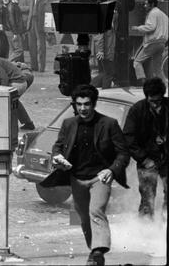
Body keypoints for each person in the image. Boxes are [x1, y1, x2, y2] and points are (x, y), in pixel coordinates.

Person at [40, 84, 129, 266]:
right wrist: (58, 157)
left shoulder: (109, 124)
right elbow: (58, 146)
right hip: (77, 177)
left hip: (100, 177)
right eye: (79, 104)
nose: (82, 108)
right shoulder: (68, 124)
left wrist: (111, 170)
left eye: (87, 104)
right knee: (83, 217)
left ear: (94, 104)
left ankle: (98, 251)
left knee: (96, 210)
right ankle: (95, 252)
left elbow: (123, 153)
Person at [122, 77, 168, 220]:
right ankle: (145, 231)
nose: (155, 105)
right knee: (148, 197)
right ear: (146, 97)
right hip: (146, 159)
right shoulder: (136, 110)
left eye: (158, 101)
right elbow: (129, 138)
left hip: (167, 158)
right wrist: (144, 159)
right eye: (152, 101)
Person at [131, 0, 168, 84]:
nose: (145, 6)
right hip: (162, 43)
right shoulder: (164, 15)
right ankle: (165, 86)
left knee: (137, 62)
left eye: (146, 4)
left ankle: (143, 84)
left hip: (152, 42)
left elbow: (151, 27)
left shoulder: (152, 13)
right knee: (157, 68)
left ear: (151, 4)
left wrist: (137, 28)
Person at [27, 0, 48, 72]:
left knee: (41, 47)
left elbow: (48, 11)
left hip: (41, 23)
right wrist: (28, 22)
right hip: (32, 22)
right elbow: (30, 10)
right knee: (32, 46)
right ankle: (34, 66)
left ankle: (42, 67)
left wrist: (47, 26)